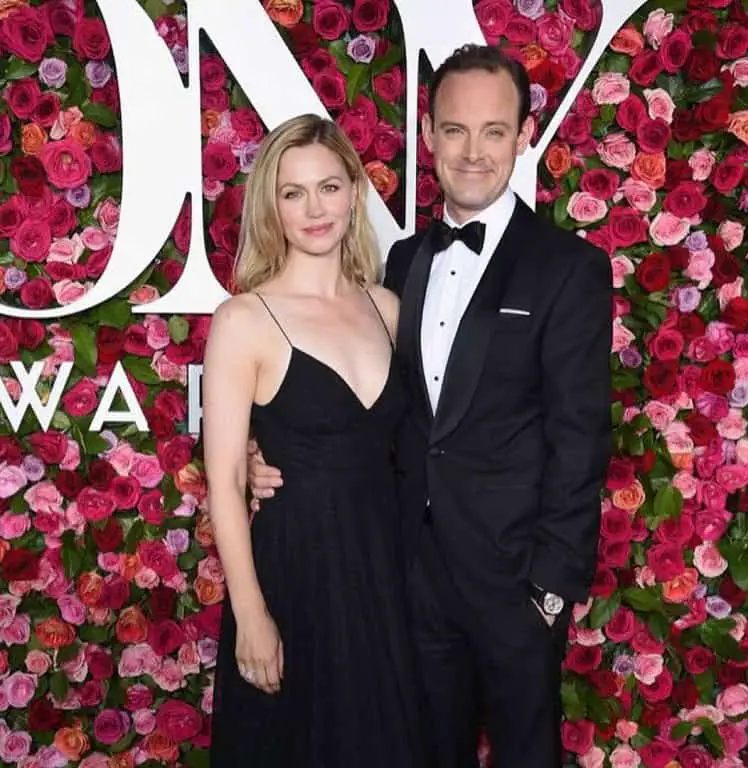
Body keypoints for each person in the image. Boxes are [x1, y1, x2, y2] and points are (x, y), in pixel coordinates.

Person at [250, 44, 612, 768]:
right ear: (430, 134)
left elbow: (581, 437)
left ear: (524, 135)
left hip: (515, 584)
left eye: (493, 131)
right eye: (454, 130)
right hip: (406, 578)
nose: (472, 152)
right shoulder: (404, 266)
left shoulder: (568, 268)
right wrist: (266, 461)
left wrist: (548, 591)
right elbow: (374, 410)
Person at [203, 113, 425, 767]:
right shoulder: (244, 319)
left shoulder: (387, 308)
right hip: (294, 575)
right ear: (272, 207)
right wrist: (250, 613)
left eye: (328, 187)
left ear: (354, 191)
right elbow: (224, 479)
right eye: (293, 192)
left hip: (387, 575)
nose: (314, 209)